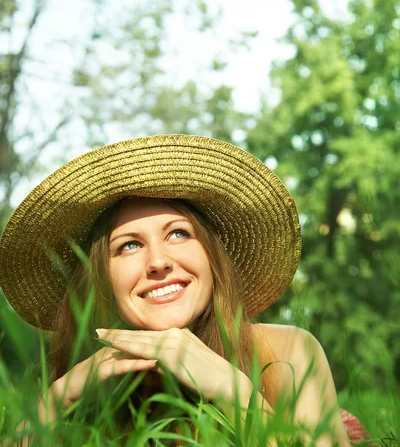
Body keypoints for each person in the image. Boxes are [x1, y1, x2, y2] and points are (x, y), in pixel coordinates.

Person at [0, 135, 370, 446]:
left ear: (212, 257)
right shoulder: (80, 381)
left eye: (179, 233)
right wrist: (59, 398)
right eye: (128, 245)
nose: (158, 262)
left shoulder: (286, 352)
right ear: (101, 278)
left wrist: (231, 390)